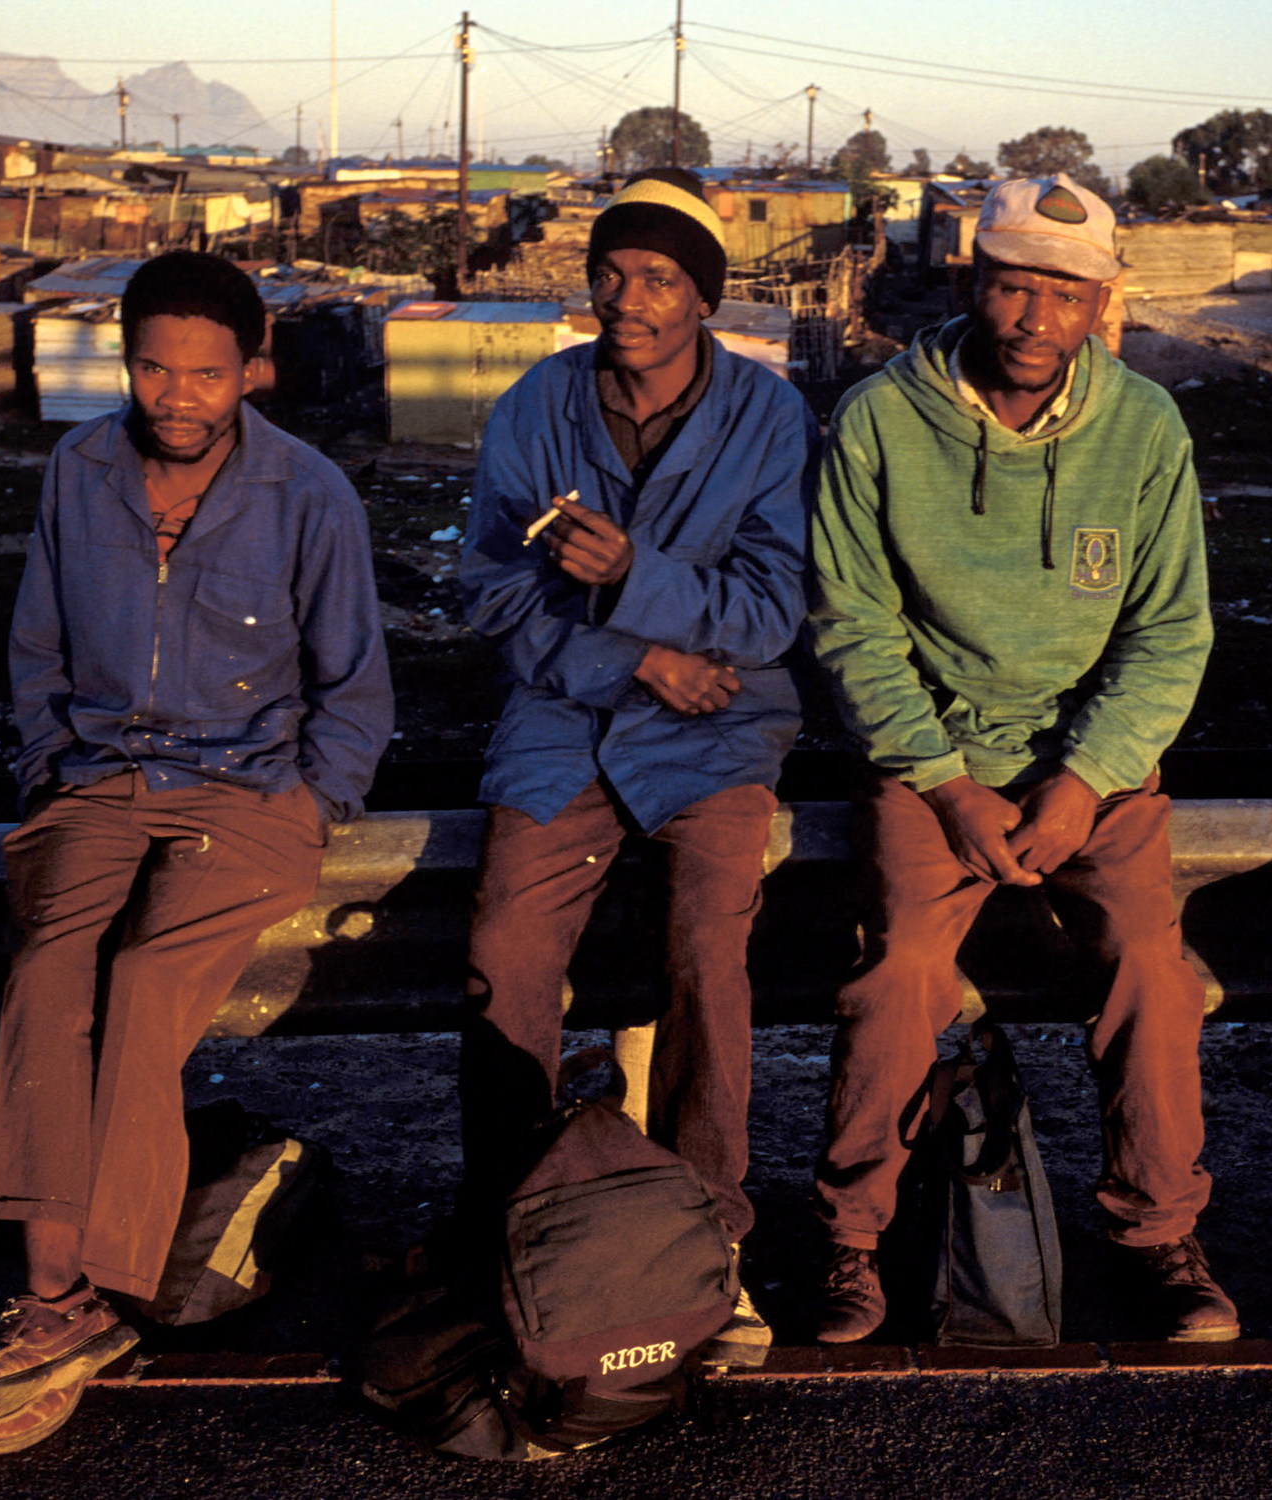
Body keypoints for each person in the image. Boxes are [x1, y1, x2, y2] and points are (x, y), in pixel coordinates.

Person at [0, 251, 393, 1453]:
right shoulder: (78, 470)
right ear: (125, 364)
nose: (177, 396)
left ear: (252, 372)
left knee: (141, 987)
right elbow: (37, 643)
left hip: (247, 796)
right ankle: (66, 1305)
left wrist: (314, 803)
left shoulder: (309, 494)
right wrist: (49, 770)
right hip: (97, 784)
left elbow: (354, 686)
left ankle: (70, 1299)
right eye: (152, 367)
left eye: (205, 373)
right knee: (49, 974)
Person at [806, 173, 1237, 1343]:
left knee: (1152, 973)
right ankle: (850, 1241)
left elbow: (1167, 633)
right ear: (971, 284)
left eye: (1064, 292)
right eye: (1010, 286)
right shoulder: (880, 421)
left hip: (1089, 771)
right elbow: (851, 622)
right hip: (930, 759)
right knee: (897, 978)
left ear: (1102, 303)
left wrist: (1082, 779)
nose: (1033, 317)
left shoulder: (1143, 426)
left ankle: (1157, 1237)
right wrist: (943, 784)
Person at [456, 167, 814, 1367]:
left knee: (708, 947)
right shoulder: (534, 408)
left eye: (658, 279)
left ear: (702, 298)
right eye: (610, 276)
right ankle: (514, 1231)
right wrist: (638, 655)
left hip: (718, 725)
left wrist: (630, 579)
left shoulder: (768, 419)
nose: (627, 300)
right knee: (505, 947)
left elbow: (768, 616)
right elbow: (493, 591)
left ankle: (710, 1238)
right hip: (568, 712)